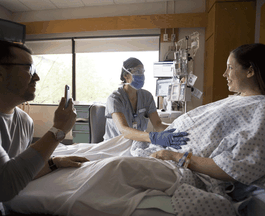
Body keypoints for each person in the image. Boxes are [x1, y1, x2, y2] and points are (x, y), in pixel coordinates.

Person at [128, 43, 265, 215]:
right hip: (164, 148)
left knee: (115, 170)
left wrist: (175, 156)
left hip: (180, 163)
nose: (225, 74)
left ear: (250, 71)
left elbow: (238, 166)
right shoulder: (240, 99)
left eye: (230, 67)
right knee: (116, 150)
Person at [0, 40, 89, 203]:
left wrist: (55, 163)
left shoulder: (24, 120)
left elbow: (22, 170)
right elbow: (4, 186)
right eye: (29, 68)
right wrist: (58, 130)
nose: (37, 77)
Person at [104, 57, 189, 149]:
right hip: (115, 146)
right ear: (126, 75)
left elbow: (158, 125)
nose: (141, 75)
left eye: (142, 72)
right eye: (137, 72)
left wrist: (179, 129)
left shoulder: (146, 96)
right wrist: (153, 137)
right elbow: (124, 130)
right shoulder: (115, 99)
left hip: (136, 145)